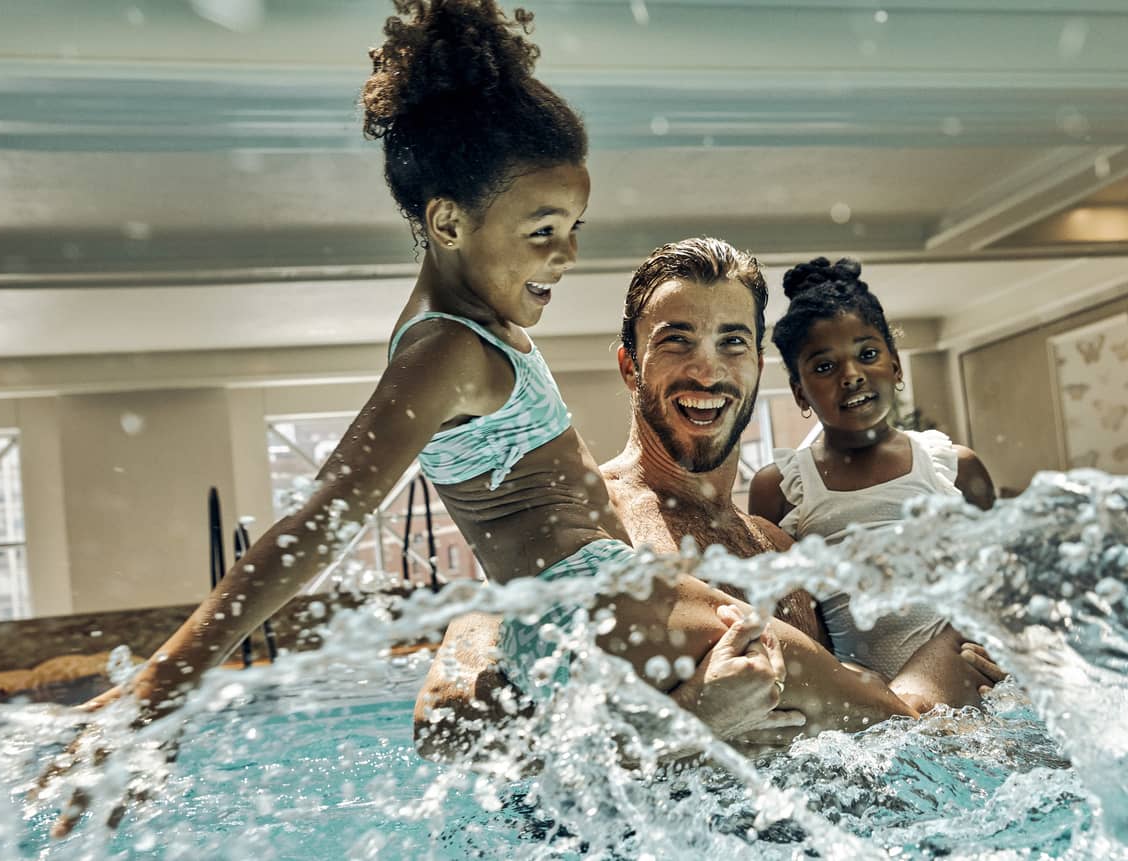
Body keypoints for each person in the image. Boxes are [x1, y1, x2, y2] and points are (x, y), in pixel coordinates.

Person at [45, 3, 912, 836]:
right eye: (543, 230)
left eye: (574, 226)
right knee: (796, 669)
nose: (567, 254)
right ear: (449, 222)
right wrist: (164, 682)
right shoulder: (445, 352)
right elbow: (317, 524)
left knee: (784, 690)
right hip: (589, 596)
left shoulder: (472, 336)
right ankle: (944, 737)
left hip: (579, 609)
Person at [415, 239, 1004, 758]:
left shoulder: (781, 547)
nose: (706, 370)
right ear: (629, 366)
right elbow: (447, 718)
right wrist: (687, 723)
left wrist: (962, 669)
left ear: (757, 365)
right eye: (676, 342)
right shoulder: (586, 514)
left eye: (732, 342)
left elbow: (871, 718)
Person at [749, 257, 999, 711]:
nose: (851, 375)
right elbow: (790, 622)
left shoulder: (953, 467)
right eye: (824, 367)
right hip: (875, 717)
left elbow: (1003, 592)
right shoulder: (783, 488)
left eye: (867, 355)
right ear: (800, 391)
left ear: (896, 366)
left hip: (978, 698)